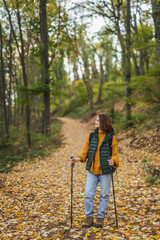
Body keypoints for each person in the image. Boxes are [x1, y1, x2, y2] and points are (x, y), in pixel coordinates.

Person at [70, 113, 119, 228]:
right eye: (95, 120)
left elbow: (115, 154)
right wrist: (77, 159)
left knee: (104, 195)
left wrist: (113, 161)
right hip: (92, 170)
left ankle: (100, 218)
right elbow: (85, 151)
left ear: (103, 122)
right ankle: (89, 218)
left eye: (97, 120)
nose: (95, 122)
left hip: (105, 171)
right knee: (88, 194)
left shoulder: (111, 137)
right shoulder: (92, 136)